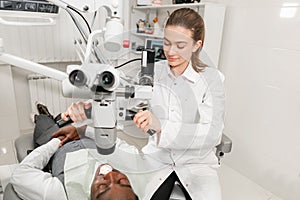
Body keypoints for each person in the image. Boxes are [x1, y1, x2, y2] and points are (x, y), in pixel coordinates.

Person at [59, 8, 225, 200]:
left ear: (196, 45)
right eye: (167, 43)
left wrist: (161, 127)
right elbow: (122, 98)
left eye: (180, 45)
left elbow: (212, 134)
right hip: (157, 159)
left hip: (197, 164)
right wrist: (89, 109)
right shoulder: (152, 72)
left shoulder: (213, 79)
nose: (170, 52)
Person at [10, 109, 139, 200]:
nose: (110, 174)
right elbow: (116, 144)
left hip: (58, 143)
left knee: (44, 123)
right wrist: (82, 131)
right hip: (82, 135)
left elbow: (20, 175)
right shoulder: (135, 175)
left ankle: (42, 116)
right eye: (122, 180)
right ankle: (54, 117)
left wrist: (56, 142)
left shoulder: (60, 194)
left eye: (101, 186)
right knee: (66, 118)